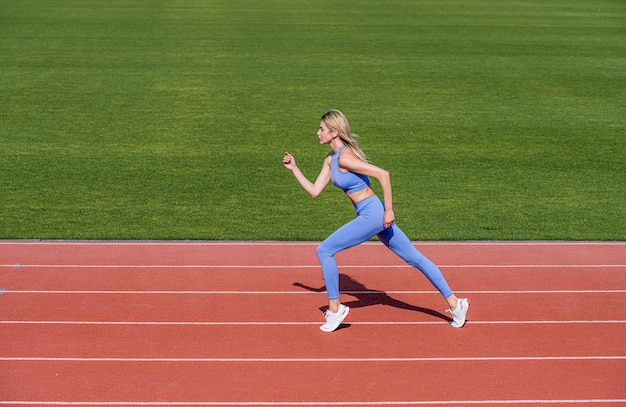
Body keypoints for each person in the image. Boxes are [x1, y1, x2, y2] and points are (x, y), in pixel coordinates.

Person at [282, 109, 470, 332]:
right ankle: (456, 303)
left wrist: (388, 210)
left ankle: (335, 310)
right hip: (370, 214)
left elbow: (383, 174)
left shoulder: (344, 156)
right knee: (415, 258)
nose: (317, 133)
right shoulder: (330, 159)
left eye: (321, 129)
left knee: (325, 250)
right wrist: (294, 169)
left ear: (333, 132)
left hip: (373, 214)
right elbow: (314, 191)